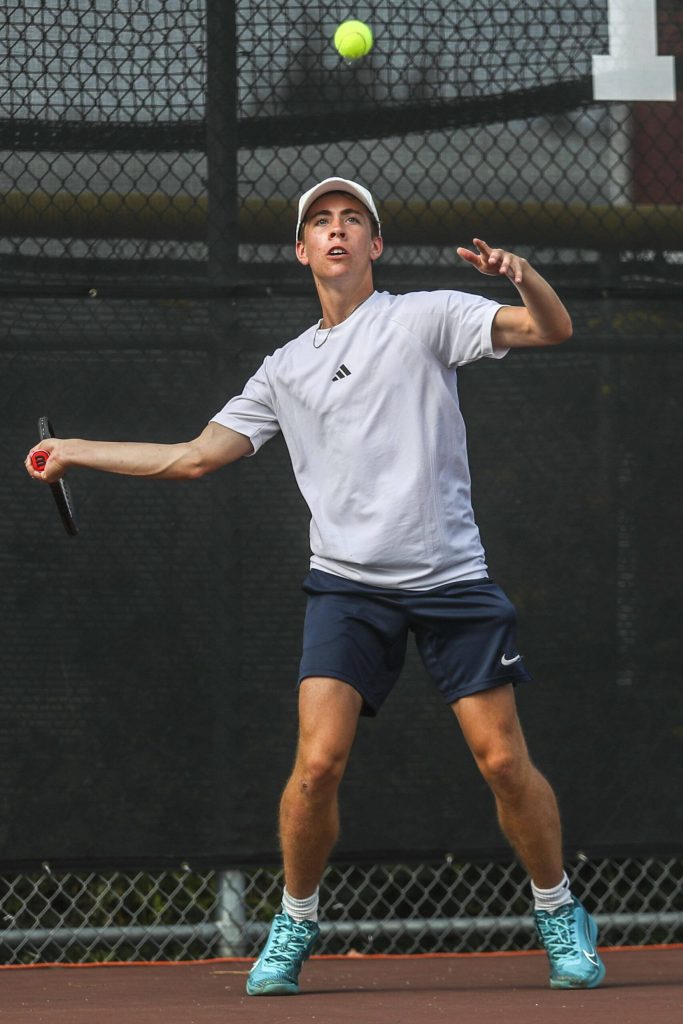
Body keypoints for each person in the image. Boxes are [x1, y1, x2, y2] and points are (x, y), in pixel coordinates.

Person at [26, 176, 605, 996]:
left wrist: (521, 274)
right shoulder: (283, 371)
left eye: (353, 221)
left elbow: (553, 327)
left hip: (451, 581)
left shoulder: (426, 317)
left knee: (504, 763)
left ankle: (558, 912)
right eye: (321, 223)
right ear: (302, 250)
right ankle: (295, 922)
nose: (337, 232)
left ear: (374, 247)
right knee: (317, 766)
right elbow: (194, 457)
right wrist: (77, 448)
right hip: (347, 588)